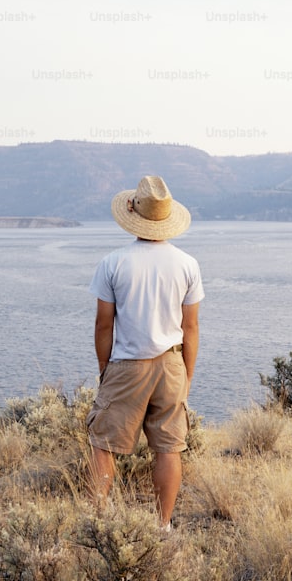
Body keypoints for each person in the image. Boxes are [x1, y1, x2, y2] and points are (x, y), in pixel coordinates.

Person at [85, 175, 203, 530]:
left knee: (103, 443)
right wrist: (186, 375)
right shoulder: (187, 264)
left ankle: (100, 523)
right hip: (171, 364)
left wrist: (106, 369)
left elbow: (103, 324)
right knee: (168, 447)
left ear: (133, 214)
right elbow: (191, 327)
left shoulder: (113, 263)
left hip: (126, 365)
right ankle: (162, 526)